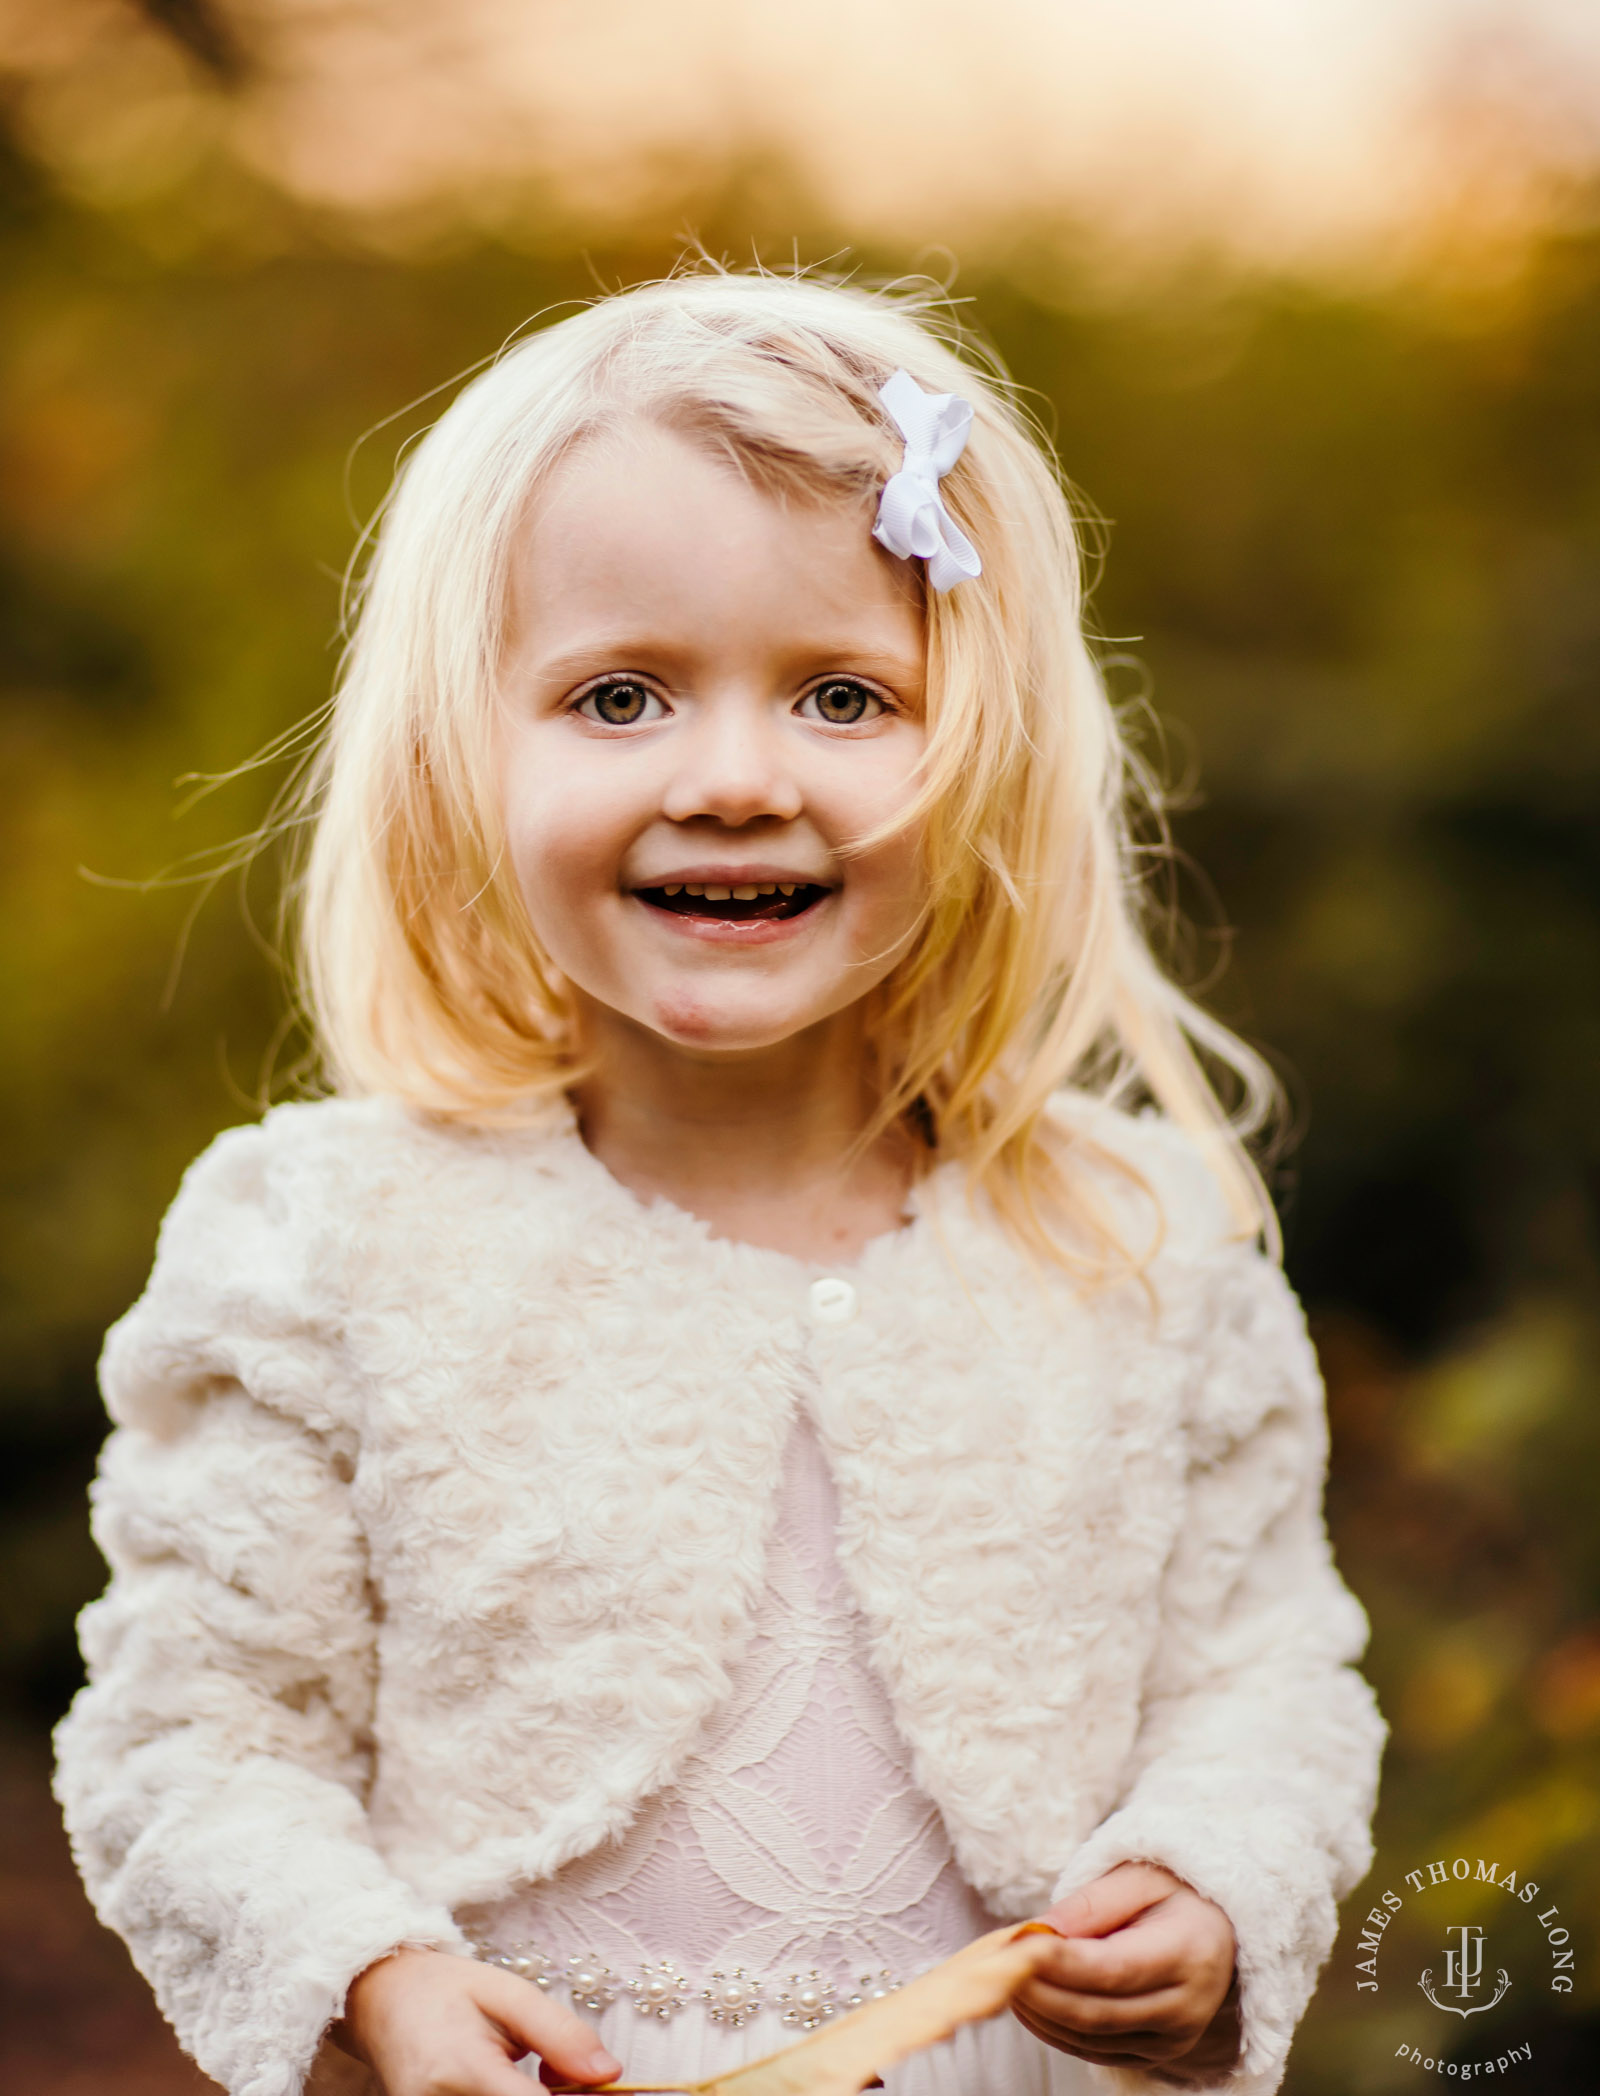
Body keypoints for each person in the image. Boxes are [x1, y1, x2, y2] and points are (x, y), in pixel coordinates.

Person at [54, 271, 1384, 2096]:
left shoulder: (1139, 1245)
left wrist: (1207, 1879)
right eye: (619, 697)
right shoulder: (329, 1249)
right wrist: (371, 1976)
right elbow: (194, 1736)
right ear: (462, 754)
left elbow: (1267, 1679)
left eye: (846, 695)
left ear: (983, 747)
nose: (738, 778)